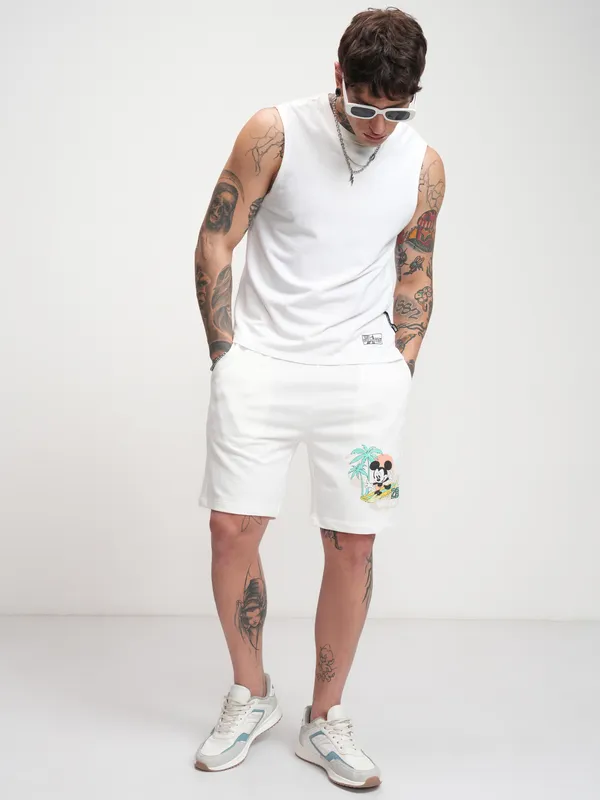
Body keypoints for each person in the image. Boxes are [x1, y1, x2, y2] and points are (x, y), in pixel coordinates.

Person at [193, 6, 445, 790]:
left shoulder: (424, 166)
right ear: (339, 77)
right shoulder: (274, 132)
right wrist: (226, 354)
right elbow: (216, 237)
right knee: (232, 530)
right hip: (261, 368)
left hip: (366, 388)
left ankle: (325, 719)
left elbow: (417, 267)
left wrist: (400, 367)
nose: (378, 127)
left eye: (395, 112)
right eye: (365, 106)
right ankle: (251, 694)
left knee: (357, 544)